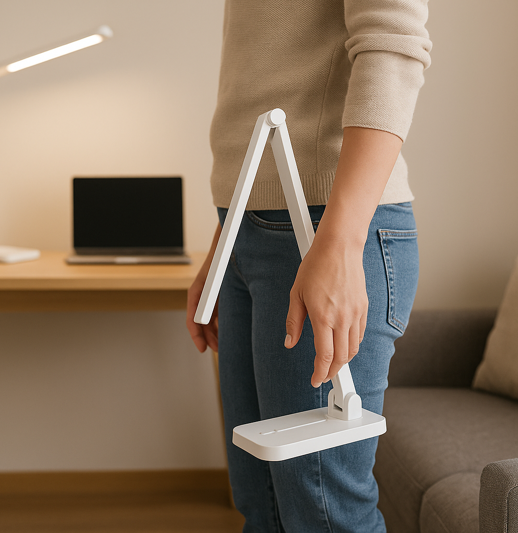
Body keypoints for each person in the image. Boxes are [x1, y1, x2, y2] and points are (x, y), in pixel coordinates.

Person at [186, 1, 432, 531]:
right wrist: (224, 242)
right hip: (249, 227)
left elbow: (392, 43)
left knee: (323, 515)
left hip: (325, 228)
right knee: (263, 504)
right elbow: (270, 74)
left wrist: (341, 242)